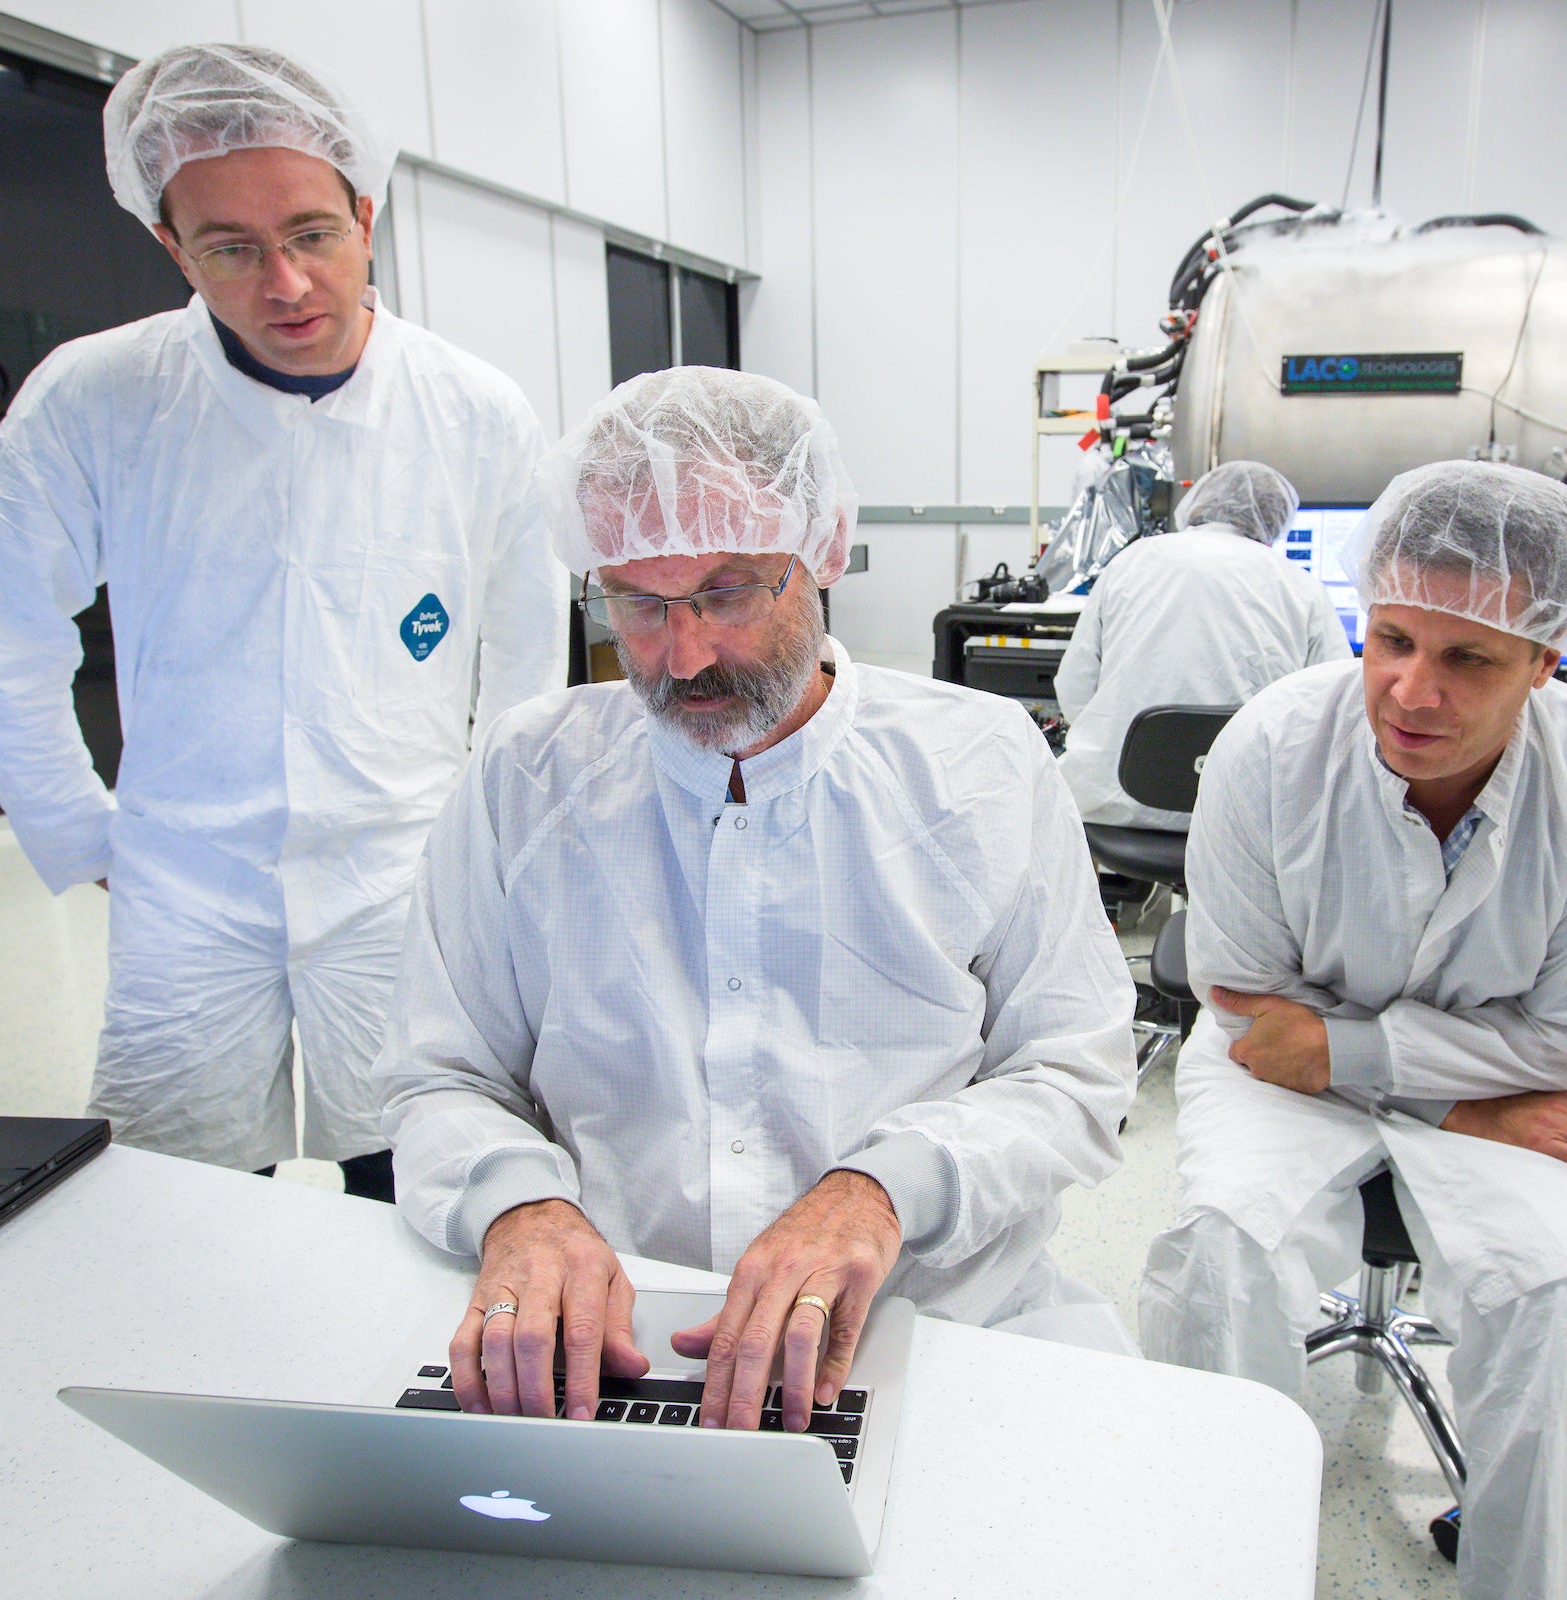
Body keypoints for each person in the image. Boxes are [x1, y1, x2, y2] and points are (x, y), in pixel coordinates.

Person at [374, 367, 1138, 1434]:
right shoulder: (527, 777)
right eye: (639, 602)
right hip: (612, 1345)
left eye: (729, 592)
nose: (684, 655)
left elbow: (1076, 1068)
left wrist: (882, 1189)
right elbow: (439, 1071)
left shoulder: (978, 767)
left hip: (929, 1330)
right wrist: (520, 1205)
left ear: (821, 550)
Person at [0, 45, 562, 1198]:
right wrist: (83, 832)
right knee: (181, 1184)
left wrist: (494, 838)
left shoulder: (472, 409)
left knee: (415, 1165)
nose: (285, 284)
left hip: (402, 866)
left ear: (366, 215)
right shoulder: (101, 397)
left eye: (313, 234)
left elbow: (524, 647)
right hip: (185, 872)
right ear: (170, 245)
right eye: (231, 247)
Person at [1137, 461, 1567, 1600]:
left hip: (1466, 1083)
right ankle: (1208, 1565)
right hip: (1290, 1080)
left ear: (1546, 657)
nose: (1411, 693)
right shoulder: (1273, 747)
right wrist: (1470, 1093)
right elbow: (1243, 999)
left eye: (1468, 656)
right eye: (1390, 640)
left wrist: (1354, 1050)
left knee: (1564, 1313)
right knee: (1218, 1257)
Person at [1054, 460, 1349, 830]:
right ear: (1274, 524)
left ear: (1197, 505)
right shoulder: (1300, 585)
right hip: (1246, 817)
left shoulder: (1132, 560)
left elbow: (1073, 688)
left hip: (1114, 805)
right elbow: (1334, 706)